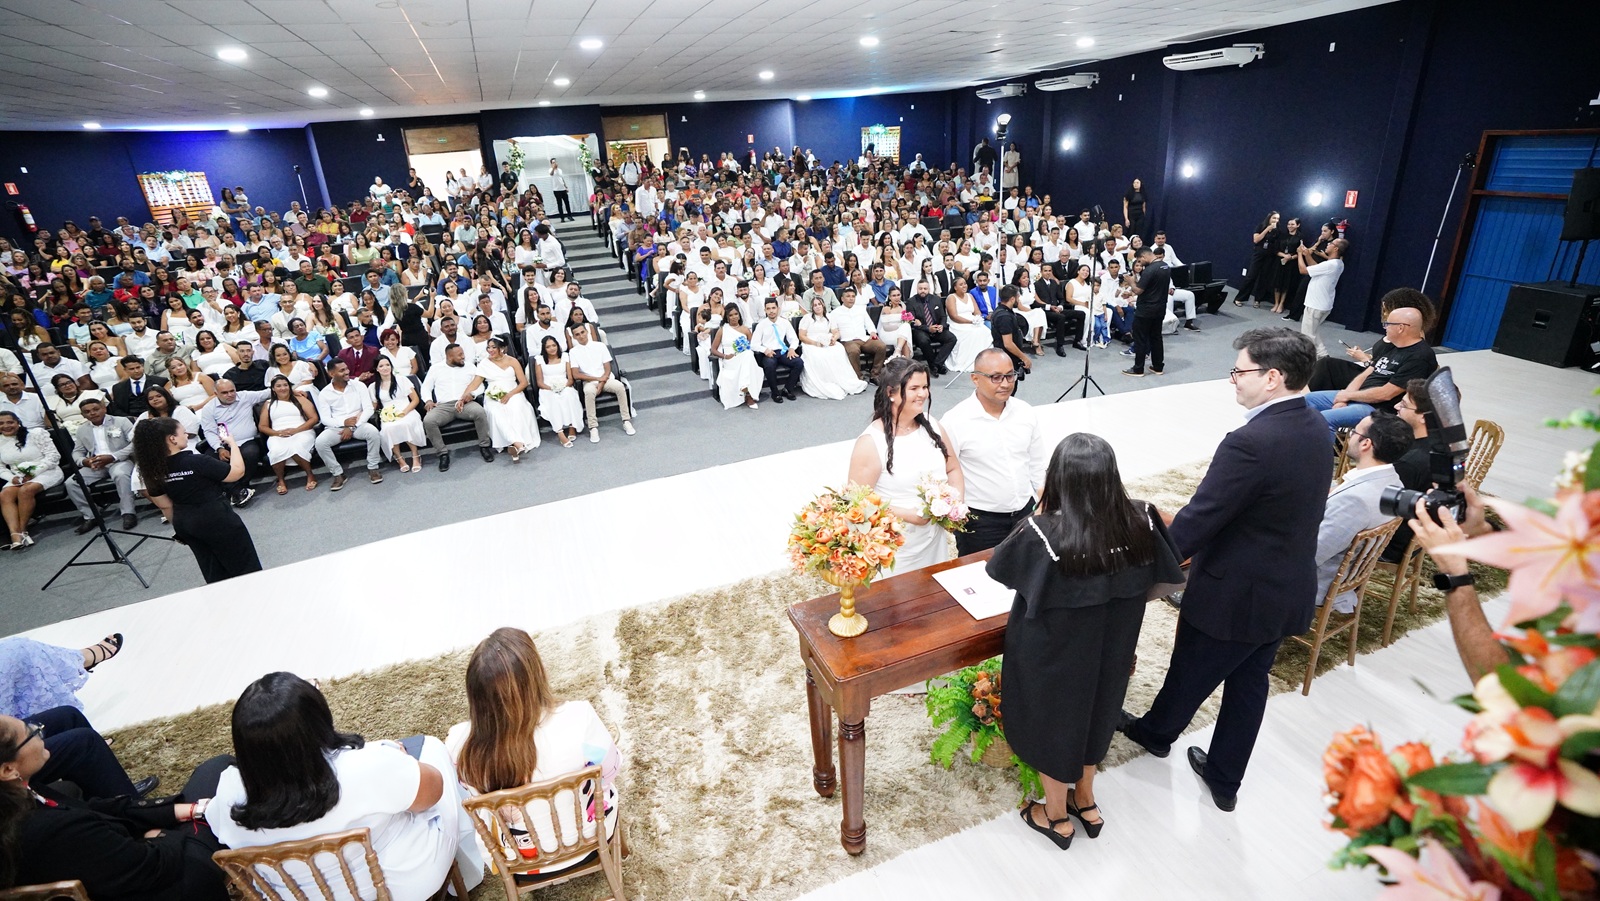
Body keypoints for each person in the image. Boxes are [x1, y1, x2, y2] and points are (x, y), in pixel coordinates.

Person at [1120, 328, 1331, 812]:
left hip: (1235, 592)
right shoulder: (1316, 425)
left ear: (1273, 377)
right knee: (1250, 685)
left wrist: (1140, 567)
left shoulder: (1251, 441)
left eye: (1240, 370)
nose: (1233, 379)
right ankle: (1225, 779)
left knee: (1190, 671)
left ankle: (1155, 733)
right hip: (1287, 587)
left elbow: (1200, 518)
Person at [989, 433, 1184, 850]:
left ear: (1058, 477)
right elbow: (1159, 581)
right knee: (1099, 711)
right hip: (1114, 645)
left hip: (1053, 652)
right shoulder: (1144, 519)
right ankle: (1087, 801)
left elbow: (998, 572)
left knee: (1053, 721)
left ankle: (1055, 816)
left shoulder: (1042, 533)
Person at [207, 673, 484, 901]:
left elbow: (218, 826)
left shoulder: (230, 791)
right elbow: (432, 792)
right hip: (396, 886)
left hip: (295, 895)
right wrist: (396, 758)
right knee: (434, 751)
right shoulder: (365, 767)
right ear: (314, 723)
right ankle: (470, 877)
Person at [0, 714, 233, 901]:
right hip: (168, 882)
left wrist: (176, 810)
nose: (40, 731)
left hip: (124, 867)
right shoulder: (53, 830)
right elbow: (152, 867)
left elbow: (94, 809)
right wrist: (159, 835)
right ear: (8, 770)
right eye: (31, 732)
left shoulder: (17, 794)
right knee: (218, 769)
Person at [446, 628, 620, 870]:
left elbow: (472, 794)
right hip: (589, 838)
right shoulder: (579, 718)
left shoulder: (458, 744)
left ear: (475, 696)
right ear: (536, 675)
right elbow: (611, 770)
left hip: (517, 857)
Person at [845, 358, 965, 575]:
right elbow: (857, 502)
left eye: (925, 387)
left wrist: (955, 506)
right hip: (894, 546)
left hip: (933, 540)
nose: (923, 394)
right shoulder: (871, 443)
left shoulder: (934, 426)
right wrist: (908, 514)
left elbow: (953, 469)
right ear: (891, 392)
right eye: (914, 388)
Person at [944, 349, 1048, 556]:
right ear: (975, 379)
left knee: (1026, 575)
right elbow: (945, 472)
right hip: (979, 522)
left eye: (1010, 375)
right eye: (995, 377)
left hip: (1025, 513)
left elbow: (1037, 462)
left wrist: (1044, 500)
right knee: (978, 579)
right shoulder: (955, 421)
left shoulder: (1025, 411)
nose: (1006, 383)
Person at [132, 415, 262, 582]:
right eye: (183, 433)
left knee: (213, 571)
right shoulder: (197, 461)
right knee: (245, 567)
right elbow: (237, 472)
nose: (186, 435)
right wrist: (232, 444)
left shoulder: (152, 470)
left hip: (186, 523)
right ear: (172, 439)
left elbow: (165, 506)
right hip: (216, 518)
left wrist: (180, 530)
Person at [1313, 412, 1413, 614]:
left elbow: (1311, 554)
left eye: (1353, 431)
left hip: (1317, 584)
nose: (1349, 436)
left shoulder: (1355, 500)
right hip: (1345, 574)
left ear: (1366, 444)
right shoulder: (1395, 483)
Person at [1303, 305, 1436, 432]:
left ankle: (1321, 453)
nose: (1385, 328)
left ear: (1401, 328)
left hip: (1378, 408)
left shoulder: (1420, 357)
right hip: (1361, 397)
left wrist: (1349, 396)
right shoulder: (1394, 346)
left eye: (1388, 324)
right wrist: (1344, 398)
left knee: (1326, 419)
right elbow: (1366, 373)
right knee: (1307, 400)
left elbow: (1386, 394)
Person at [65, 398, 139, 532]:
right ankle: (91, 516)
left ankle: (128, 512)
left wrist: (113, 456)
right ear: (83, 415)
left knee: (120, 474)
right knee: (72, 483)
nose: (92, 413)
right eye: (87, 412)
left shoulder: (121, 421)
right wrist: (84, 461)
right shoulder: (82, 429)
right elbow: (77, 452)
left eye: (95, 409)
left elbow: (135, 444)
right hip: (96, 464)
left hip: (119, 460)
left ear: (104, 408)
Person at [421, 343, 495, 469]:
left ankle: (484, 446)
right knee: (428, 421)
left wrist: (472, 394)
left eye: (463, 353)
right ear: (449, 357)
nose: (463, 357)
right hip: (443, 406)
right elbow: (426, 387)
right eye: (460, 355)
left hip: (465, 403)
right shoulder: (436, 368)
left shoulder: (470, 367)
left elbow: (480, 385)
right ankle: (442, 454)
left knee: (479, 412)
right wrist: (428, 401)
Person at [314, 359, 385, 491]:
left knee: (373, 432)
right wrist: (344, 424)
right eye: (342, 370)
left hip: (359, 424)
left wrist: (351, 427)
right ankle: (338, 474)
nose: (347, 372)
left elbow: (368, 409)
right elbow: (324, 419)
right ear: (331, 374)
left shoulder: (359, 386)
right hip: (336, 428)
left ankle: (373, 468)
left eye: (346, 369)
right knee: (320, 442)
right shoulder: (324, 393)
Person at [199, 377, 269, 507]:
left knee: (251, 453)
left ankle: (237, 488)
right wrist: (219, 448)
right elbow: (209, 431)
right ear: (215, 394)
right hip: (223, 444)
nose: (230, 395)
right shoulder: (209, 408)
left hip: (246, 441)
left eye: (232, 391)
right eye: (225, 393)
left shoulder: (245, 397)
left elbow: (269, 392)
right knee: (209, 460)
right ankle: (238, 490)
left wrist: (295, 391)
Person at [0, 410, 61, 549]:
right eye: (1, 423)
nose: (6, 426)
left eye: (10, 422)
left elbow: (53, 456)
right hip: (19, 477)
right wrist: (12, 478)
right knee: (5, 494)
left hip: (47, 471)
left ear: (18, 423)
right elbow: (0, 467)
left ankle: (22, 531)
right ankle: (14, 534)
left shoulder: (36, 434)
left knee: (26, 491)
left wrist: (34, 472)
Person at [471, 337, 537, 462]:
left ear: (502, 348)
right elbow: (475, 383)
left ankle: (514, 444)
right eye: (488, 347)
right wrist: (463, 396)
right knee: (496, 412)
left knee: (516, 408)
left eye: (493, 347)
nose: (490, 350)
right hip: (493, 393)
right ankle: (516, 442)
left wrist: (510, 394)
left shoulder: (513, 361)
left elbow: (523, 383)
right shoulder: (484, 363)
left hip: (513, 391)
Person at [797, 295, 868, 400]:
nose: (817, 307)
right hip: (811, 343)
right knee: (819, 355)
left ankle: (840, 380)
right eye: (815, 305)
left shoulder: (829, 317)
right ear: (812, 307)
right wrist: (815, 343)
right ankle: (825, 381)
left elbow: (836, 332)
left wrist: (834, 339)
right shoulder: (807, 318)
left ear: (823, 305)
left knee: (838, 349)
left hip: (826, 341)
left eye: (819, 304)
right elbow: (802, 336)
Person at [260, 374, 320, 494]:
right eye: (278, 386)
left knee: (296, 446)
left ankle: (310, 475)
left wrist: (296, 430)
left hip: (302, 430)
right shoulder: (268, 404)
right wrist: (277, 433)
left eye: (285, 385)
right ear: (273, 389)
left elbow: (314, 419)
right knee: (276, 450)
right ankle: (281, 480)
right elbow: (262, 426)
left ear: (290, 386)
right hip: (278, 434)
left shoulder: (300, 399)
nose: (283, 388)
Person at [370, 356, 426, 472]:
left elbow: (415, 400)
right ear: (376, 369)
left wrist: (404, 412)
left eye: (387, 365)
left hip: (407, 410)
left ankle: (415, 456)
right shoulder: (373, 387)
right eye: (381, 366)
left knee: (406, 424)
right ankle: (399, 458)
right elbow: (373, 407)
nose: (385, 368)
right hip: (388, 414)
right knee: (388, 429)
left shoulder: (402, 380)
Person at [1122, 248, 1169, 377]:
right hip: (1160, 308)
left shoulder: (1149, 270)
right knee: (1156, 337)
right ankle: (1158, 366)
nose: (1140, 263)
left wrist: (1131, 281)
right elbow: (1152, 287)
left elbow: (1138, 290)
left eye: (1139, 260)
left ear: (1143, 256)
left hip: (1145, 310)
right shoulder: (1165, 266)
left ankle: (1138, 369)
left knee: (1140, 338)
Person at [1297, 238, 1348, 354]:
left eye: (1331, 243)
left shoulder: (1331, 264)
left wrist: (1299, 254)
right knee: (1313, 333)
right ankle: (1322, 357)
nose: (1328, 245)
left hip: (1315, 305)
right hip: (1323, 305)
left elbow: (1303, 270)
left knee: (1308, 336)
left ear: (1336, 248)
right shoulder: (1338, 263)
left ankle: (1315, 360)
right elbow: (1315, 267)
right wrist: (1307, 255)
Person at [533, 336, 583, 448]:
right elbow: (540, 382)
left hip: (565, 386)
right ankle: (560, 432)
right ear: (544, 349)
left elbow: (570, 379)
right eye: (548, 347)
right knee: (553, 399)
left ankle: (572, 427)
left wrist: (563, 387)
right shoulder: (539, 360)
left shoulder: (565, 356)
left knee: (569, 395)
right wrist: (552, 389)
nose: (552, 349)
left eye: (554, 345)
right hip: (547, 388)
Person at [752, 298, 804, 404]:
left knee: (799, 362)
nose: (771, 311)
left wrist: (792, 349)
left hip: (783, 352)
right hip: (769, 353)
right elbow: (753, 344)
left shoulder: (784, 322)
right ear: (765, 310)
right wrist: (765, 350)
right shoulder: (761, 325)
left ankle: (787, 389)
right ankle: (775, 393)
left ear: (778, 309)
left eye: (773, 308)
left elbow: (794, 339)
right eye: (768, 309)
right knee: (769, 365)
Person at [712, 302, 762, 410]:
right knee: (747, 356)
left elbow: (752, 346)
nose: (734, 317)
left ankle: (746, 390)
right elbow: (713, 349)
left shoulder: (745, 329)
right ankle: (747, 394)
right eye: (730, 315)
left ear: (739, 315)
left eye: (736, 314)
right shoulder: (722, 330)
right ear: (727, 317)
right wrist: (725, 356)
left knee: (748, 353)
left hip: (745, 357)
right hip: (730, 359)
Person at [906, 278, 958, 373]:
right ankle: (933, 365)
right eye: (920, 288)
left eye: (925, 288)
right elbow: (912, 322)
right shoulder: (911, 301)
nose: (923, 291)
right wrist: (928, 328)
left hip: (937, 327)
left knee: (952, 338)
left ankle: (937, 364)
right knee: (923, 340)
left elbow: (943, 316)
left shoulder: (936, 299)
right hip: (921, 330)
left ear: (929, 289)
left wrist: (942, 325)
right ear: (917, 289)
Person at [988, 285, 1032, 385]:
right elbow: (1008, 343)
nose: (1018, 300)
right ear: (1012, 299)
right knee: (1008, 388)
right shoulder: (1004, 317)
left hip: (1007, 358)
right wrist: (1024, 358)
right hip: (1007, 359)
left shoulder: (1002, 311)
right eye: (1018, 298)